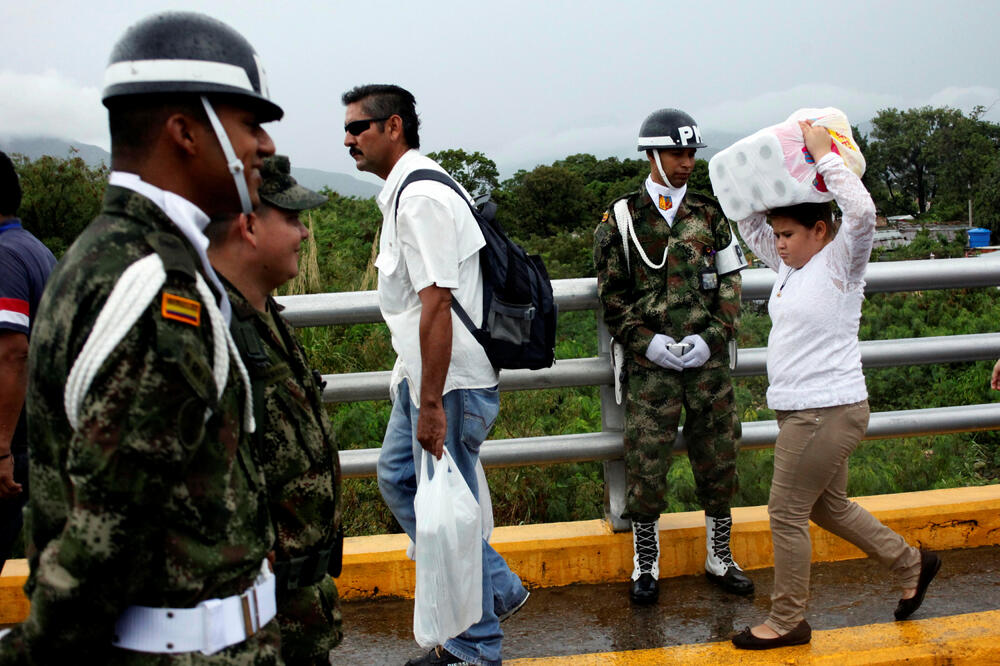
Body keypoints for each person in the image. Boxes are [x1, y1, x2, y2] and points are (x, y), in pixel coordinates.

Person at [0, 12, 285, 663]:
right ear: (185, 131)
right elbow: (110, 527)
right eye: (249, 123)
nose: (264, 146)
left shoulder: (119, 254)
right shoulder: (156, 285)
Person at [731, 120, 941, 650]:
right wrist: (771, 174)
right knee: (829, 507)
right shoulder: (790, 267)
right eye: (776, 236)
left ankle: (787, 620)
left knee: (785, 511)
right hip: (806, 408)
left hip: (825, 410)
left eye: (788, 235)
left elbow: (863, 212)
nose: (777, 245)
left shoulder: (841, 262)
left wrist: (824, 157)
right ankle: (912, 562)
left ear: (820, 230)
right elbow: (748, 221)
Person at [342, 83, 528, 666]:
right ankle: (496, 588)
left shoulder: (420, 196)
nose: (349, 139)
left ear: (393, 126)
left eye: (359, 128)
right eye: (345, 130)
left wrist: (429, 403)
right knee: (399, 479)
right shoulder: (407, 190)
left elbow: (437, 303)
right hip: (422, 376)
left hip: (447, 384)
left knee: (448, 513)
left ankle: (475, 649)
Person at [594, 108, 753, 605]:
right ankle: (646, 564)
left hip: (707, 364)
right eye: (676, 153)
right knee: (646, 462)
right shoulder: (620, 219)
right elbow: (611, 297)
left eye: (690, 154)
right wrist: (648, 343)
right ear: (652, 155)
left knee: (719, 455)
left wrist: (714, 334)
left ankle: (720, 556)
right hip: (650, 368)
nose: (686, 163)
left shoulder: (710, 214)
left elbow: (731, 280)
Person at [206, 154, 343, 665]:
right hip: (255, 626)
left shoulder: (263, 315)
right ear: (247, 225)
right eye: (291, 219)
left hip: (299, 614)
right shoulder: (211, 328)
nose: (304, 234)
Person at [0, 151, 57, 574]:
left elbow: (12, 352)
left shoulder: (4, 257)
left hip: (12, 446)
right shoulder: (35, 249)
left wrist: (0, 449)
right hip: (37, 437)